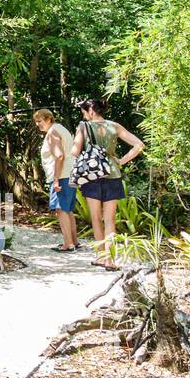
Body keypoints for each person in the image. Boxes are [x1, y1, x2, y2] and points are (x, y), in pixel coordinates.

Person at [70, 98, 144, 271]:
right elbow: (139, 144)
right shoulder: (115, 126)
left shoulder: (83, 127)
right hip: (113, 174)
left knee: (96, 218)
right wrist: (122, 160)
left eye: (84, 112)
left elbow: (74, 151)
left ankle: (101, 256)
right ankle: (110, 260)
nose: (84, 116)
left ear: (91, 111)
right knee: (110, 219)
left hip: (92, 176)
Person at [33, 109, 77, 252]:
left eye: (39, 121)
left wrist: (56, 179)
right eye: (36, 122)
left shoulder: (52, 133)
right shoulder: (61, 128)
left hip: (61, 175)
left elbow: (59, 156)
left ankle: (68, 244)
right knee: (68, 209)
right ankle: (74, 241)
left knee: (60, 209)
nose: (37, 124)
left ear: (48, 119)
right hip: (70, 173)